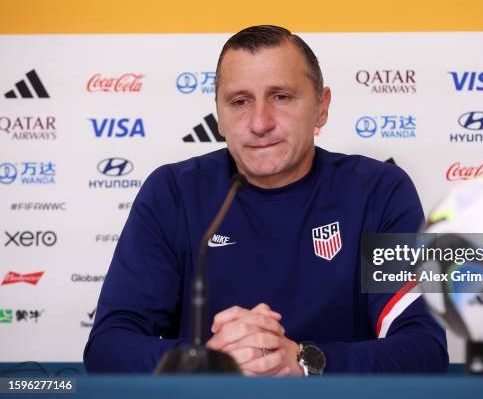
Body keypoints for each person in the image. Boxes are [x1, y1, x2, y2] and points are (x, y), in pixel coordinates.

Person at [84, 25, 448, 375]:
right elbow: (108, 345)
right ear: (220, 117)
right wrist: (211, 361)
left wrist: (305, 361)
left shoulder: (379, 191)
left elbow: (424, 347)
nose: (260, 122)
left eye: (281, 97)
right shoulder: (173, 192)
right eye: (239, 101)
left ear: (322, 107)